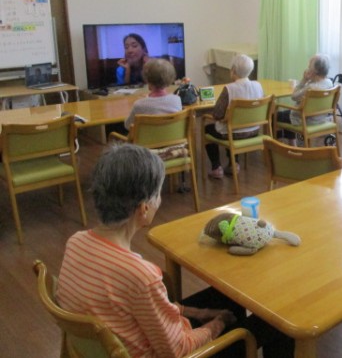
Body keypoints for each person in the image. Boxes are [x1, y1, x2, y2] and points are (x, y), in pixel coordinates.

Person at [56, 143, 293, 358]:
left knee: (226, 297)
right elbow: (178, 351)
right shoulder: (141, 277)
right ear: (144, 209)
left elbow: (147, 308)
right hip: (176, 352)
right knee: (279, 322)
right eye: (158, 194)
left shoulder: (75, 243)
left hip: (115, 343)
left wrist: (202, 313)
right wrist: (217, 323)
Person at [205, 54, 263, 179]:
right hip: (254, 131)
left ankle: (216, 167)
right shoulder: (258, 86)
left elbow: (217, 114)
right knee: (232, 124)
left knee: (209, 128)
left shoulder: (229, 88)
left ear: (233, 70)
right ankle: (234, 164)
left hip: (233, 133)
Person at [276, 54, 334, 145]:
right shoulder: (329, 83)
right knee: (287, 114)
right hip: (321, 118)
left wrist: (304, 80)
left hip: (304, 120)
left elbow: (294, 96)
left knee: (274, 116)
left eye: (309, 66)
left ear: (315, 70)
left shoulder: (311, 88)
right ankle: (292, 144)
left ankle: (277, 147)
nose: (307, 69)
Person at [124, 58, 182, 131]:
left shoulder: (139, 104)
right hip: (173, 138)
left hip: (146, 138)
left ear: (147, 79)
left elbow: (128, 126)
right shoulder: (177, 99)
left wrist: (145, 100)